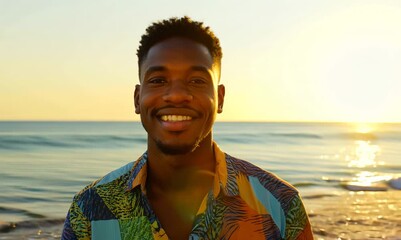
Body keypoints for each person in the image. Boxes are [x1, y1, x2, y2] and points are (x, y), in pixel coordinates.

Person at [61, 16, 313, 240]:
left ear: (220, 98)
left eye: (196, 80)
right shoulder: (91, 208)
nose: (177, 95)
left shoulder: (278, 204)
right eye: (158, 80)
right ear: (138, 98)